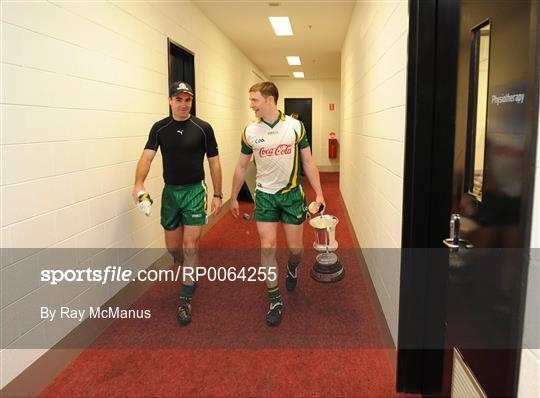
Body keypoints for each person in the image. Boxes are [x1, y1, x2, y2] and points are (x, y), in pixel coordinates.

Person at [230, 82, 325, 326]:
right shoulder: (250, 131)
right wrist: (232, 197)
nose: (251, 105)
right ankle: (274, 299)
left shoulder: (295, 127)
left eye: (254, 100)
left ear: (270, 100)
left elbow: (309, 162)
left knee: (296, 250)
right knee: (268, 247)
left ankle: (292, 269)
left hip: (293, 195)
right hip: (264, 196)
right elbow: (241, 166)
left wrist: (320, 194)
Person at [132, 81, 223, 326]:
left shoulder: (203, 128)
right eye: (179, 99)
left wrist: (217, 194)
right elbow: (147, 157)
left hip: (195, 191)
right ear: (170, 100)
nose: (183, 104)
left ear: (192, 102)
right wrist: (138, 183)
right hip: (171, 192)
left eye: (188, 100)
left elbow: (214, 162)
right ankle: (188, 269)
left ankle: (185, 296)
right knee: (173, 248)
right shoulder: (160, 128)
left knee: (191, 243)